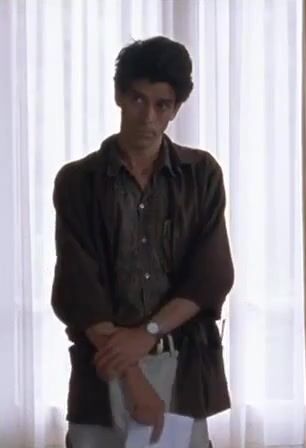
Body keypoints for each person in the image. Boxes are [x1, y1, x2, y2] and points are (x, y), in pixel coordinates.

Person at [51, 36, 234, 448]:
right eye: (137, 99)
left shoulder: (201, 174)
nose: (148, 116)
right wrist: (132, 374)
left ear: (176, 108)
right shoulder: (78, 181)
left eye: (162, 105)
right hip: (103, 368)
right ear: (119, 96)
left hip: (185, 369)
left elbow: (211, 277)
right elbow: (79, 288)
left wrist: (149, 332)